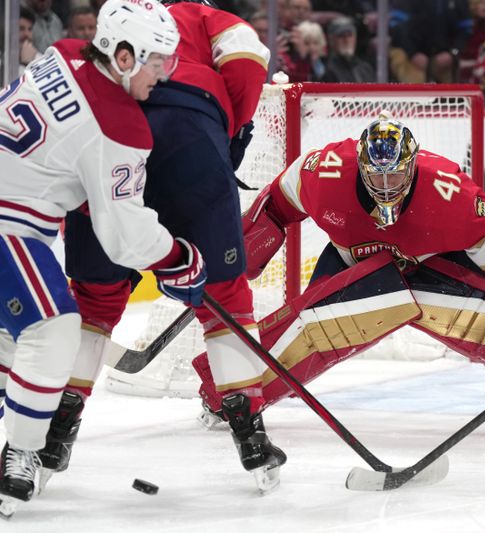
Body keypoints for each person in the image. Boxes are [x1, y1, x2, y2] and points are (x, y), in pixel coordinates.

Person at [192, 112, 485, 438]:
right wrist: (246, 253)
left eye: (396, 174)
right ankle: (232, 393)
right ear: (360, 165)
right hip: (350, 261)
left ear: (413, 164)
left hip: (429, 266)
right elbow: (277, 203)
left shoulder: (448, 189)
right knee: (310, 329)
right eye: (375, 175)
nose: (386, 185)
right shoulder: (324, 171)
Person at [39, 0, 281, 494]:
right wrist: (229, 124)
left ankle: (54, 435)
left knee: (95, 297)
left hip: (108, 129)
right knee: (226, 294)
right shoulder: (199, 13)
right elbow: (248, 56)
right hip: (190, 133)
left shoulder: (116, 28)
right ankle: (249, 433)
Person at [0, 0, 207, 516]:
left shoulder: (65, 53)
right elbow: (124, 241)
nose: (165, 73)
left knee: (10, 341)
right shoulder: (121, 127)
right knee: (53, 328)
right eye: (157, 60)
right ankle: (20, 454)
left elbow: (67, 151)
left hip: (14, 213)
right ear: (121, 55)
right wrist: (179, 256)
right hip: (9, 223)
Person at [321, 16, 376, 83]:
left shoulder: (365, 69)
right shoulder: (326, 70)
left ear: (355, 38)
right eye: (341, 36)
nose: (347, 40)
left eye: (350, 35)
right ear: (331, 40)